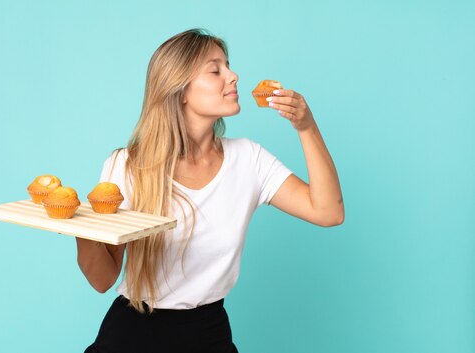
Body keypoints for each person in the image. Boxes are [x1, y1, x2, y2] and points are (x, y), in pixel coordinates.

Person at [76, 28, 344, 353]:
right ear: (181, 90)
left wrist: (306, 126)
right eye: (216, 70)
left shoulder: (249, 159)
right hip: (132, 336)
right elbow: (102, 280)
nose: (233, 76)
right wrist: (81, 228)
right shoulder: (128, 166)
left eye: (228, 66)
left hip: (209, 334)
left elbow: (329, 211)